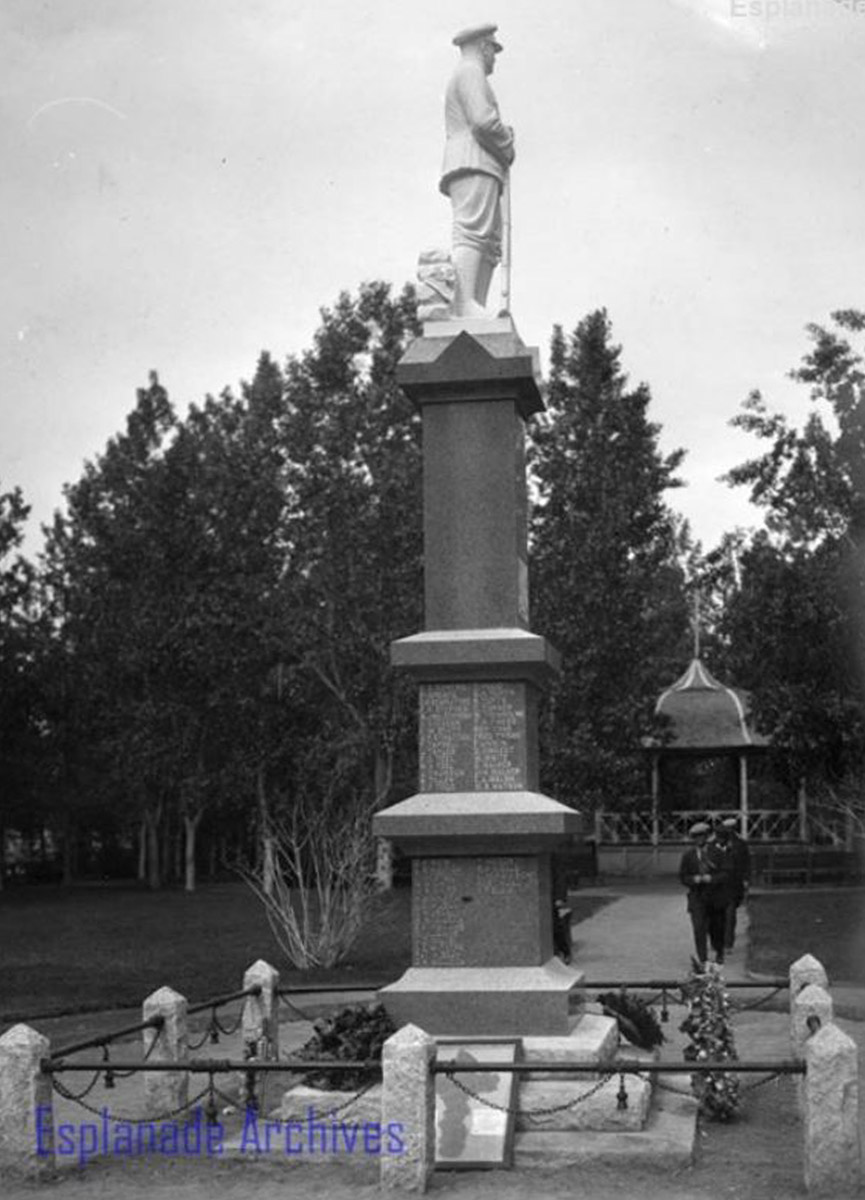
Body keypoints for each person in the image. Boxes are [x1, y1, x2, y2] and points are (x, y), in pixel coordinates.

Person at [440, 23, 515, 317]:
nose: (494, 57)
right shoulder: (470, 71)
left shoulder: (469, 73)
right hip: (473, 160)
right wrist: (506, 144)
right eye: (493, 50)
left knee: (487, 239)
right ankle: (463, 304)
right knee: (473, 232)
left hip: (481, 162)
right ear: (484, 47)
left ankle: (473, 306)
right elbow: (482, 121)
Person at [679, 821, 731, 966]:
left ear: (707, 836)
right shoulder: (688, 856)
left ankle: (719, 951)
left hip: (715, 897)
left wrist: (712, 878)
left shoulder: (718, 853)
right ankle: (703, 959)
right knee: (699, 928)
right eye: (696, 837)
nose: (699, 840)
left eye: (702, 836)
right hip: (697, 897)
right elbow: (683, 876)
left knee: (716, 929)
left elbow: (726, 874)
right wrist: (693, 879)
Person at [717, 817, 751, 951]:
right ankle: (721, 941)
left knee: (730, 915)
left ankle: (727, 943)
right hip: (720, 885)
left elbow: (746, 863)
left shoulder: (740, 844)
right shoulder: (716, 844)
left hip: (732, 885)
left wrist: (746, 880)